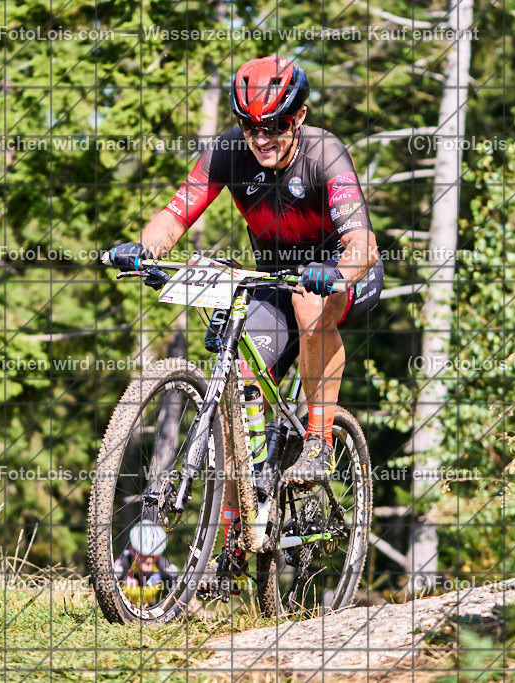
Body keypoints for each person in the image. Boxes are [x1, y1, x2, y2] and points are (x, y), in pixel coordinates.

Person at [110, 56, 382, 583]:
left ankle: (321, 444)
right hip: (274, 280)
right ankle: (237, 536)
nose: (263, 137)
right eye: (251, 126)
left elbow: (364, 245)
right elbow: (175, 215)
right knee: (235, 379)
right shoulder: (229, 153)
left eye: (276, 125)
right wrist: (145, 250)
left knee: (308, 300)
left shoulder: (325, 154)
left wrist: (336, 269)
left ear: (298, 116)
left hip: (341, 274)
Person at [113, 520, 177, 605]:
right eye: (144, 555)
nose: (149, 560)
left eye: (154, 555)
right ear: (132, 550)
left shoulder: (162, 564)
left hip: (148, 609)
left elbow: (185, 591)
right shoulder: (123, 562)